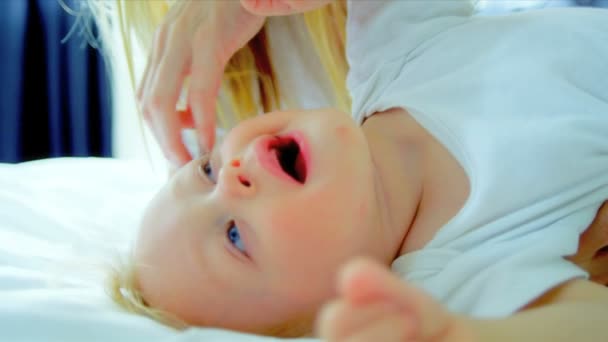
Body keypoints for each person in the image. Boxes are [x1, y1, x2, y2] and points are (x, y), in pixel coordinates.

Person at [91, 0, 608, 340]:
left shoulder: (394, 51)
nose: (230, 175)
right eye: (233, 236)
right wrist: (457, 334)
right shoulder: (457, 274)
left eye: (205, 170)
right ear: (331, 308)